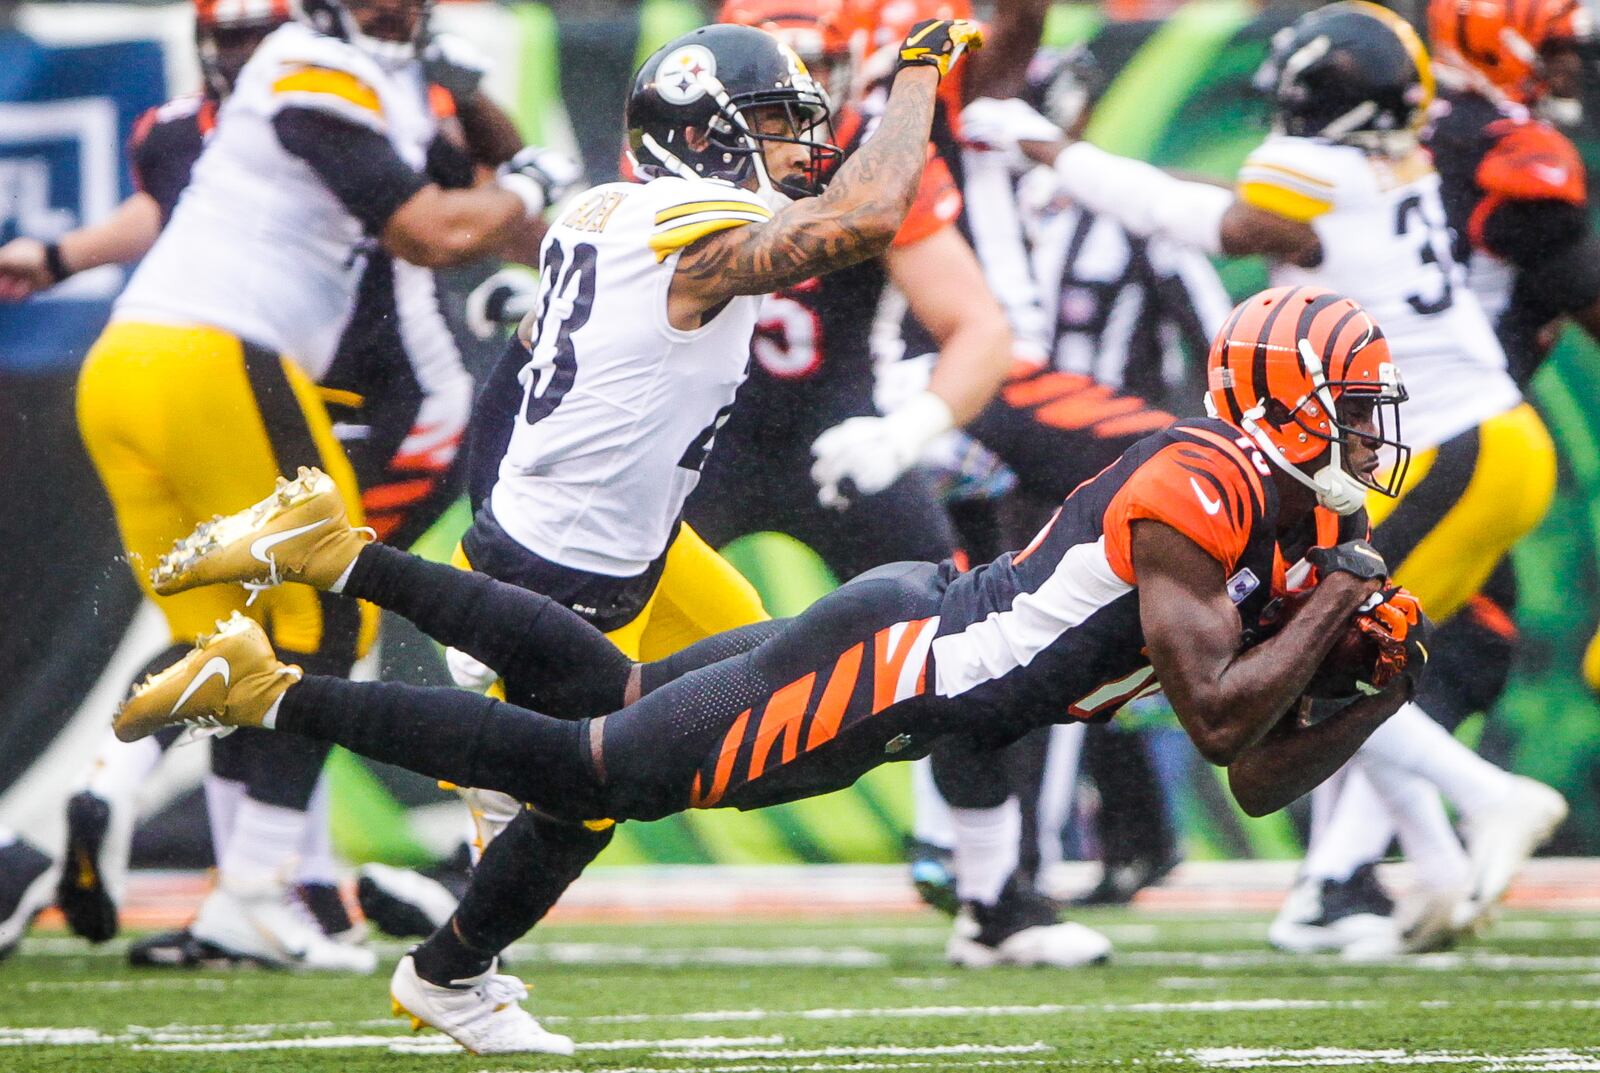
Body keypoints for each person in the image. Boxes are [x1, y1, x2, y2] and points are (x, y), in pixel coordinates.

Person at [124, 284, 1425, 1050]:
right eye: (1360, 408)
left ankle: (334, 557)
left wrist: (1376, 690)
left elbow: (1258, 778)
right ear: (1289, 400)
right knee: (596, 771)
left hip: (907, 642)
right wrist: (1343, 609)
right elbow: (1211, 717)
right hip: (900, 670)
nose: (1376, 438)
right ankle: (262, 688)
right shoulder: (1203, 482)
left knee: (613, 704)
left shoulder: (1289, 517)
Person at [960, 0, 1566, 954]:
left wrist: (1047, 147)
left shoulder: (1318, 168)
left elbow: (1201, 219)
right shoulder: (1380, 163)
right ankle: (1421, 867)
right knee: (1349, 652)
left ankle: (1434, 828)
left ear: (1308, 95)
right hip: (1485, 436)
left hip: (1459, 440)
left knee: (1327, 644)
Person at [62, 0, 568, 970]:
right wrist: (529, 178)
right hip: (213, 354)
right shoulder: (308, 66)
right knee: (330, 615)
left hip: (127, 362)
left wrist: (483, 124)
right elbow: (429, 231)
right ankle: (254, 892)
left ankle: (129, 793)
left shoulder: (350, 80)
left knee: (226, 632)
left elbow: (472, 192)